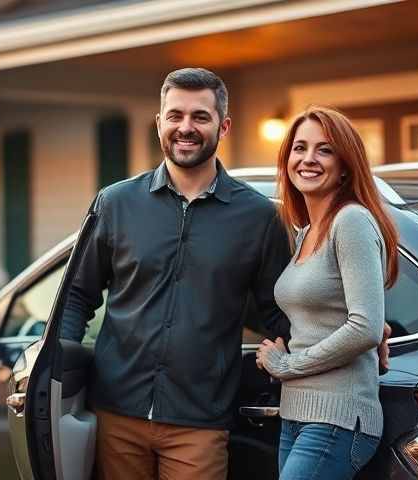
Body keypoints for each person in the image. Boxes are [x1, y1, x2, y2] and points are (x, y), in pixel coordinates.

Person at [60, 68, 292, 479]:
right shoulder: (115, 203)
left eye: (200, 117)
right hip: (116, 414)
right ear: (159, 123)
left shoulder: (257, 218)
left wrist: (360, 334)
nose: (186, 128)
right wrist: (54, 368)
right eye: (175, 115)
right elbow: (77, 295)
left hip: (199, 422)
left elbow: (280, 312)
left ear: (224, 125)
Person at [256, 106, 399, 480]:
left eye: (324, 150)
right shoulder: (304, 233)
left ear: (346, 164)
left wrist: (287, 365)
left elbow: (363, 326)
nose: (308, 159)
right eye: (299, 148)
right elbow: (341, 314)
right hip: (297, 415)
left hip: (337, 418)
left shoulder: (350, 221)